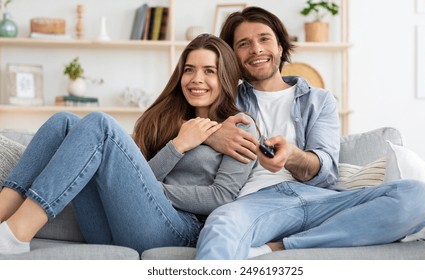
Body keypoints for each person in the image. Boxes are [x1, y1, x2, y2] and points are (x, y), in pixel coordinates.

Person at [195, 6, 425, 259]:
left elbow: (326, 172)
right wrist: (211, 134)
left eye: (264, 39)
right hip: (255, 203)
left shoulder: (319, 100)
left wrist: (292, 155)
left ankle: (279, 247)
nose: (256, 49)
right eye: (244, 43)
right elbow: (164, 126)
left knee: (417, 196)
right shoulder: (222, 99)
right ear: (232, 55)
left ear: (280, 46)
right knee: (221, 224)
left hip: (321, 201)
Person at [0, 34, 258, 255]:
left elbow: (221, 197)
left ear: (225, 77)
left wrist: (150, 188)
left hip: (179, 230)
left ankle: (16, 235)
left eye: (209, 71)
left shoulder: (240, 126)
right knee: (63, 122)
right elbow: (139, 180)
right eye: (189, 69)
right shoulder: (164, 121)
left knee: (100, 124)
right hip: (115, 226)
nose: (195, 79)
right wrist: (177, 146)